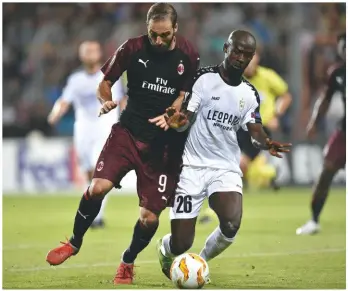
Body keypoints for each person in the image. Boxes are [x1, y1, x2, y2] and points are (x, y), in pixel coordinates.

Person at [45, 2, 200, 285]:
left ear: (175, 29)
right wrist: (105, 101)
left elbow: (186, 95)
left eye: (165, 34)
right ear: (147, 28)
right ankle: (74, 242)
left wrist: (175, 113)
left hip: (163, 147)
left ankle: (127, 260)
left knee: (149, 219)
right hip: (127, 132)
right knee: (96, 186)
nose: (158, 40)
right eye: (154, 33)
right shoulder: (132, 48)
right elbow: (104, 82)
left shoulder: (189, 55)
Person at [154, 30, 291, 279]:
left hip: (225, 167)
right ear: (226, 48)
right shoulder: (203, 79)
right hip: (192, 167)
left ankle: (199, 264)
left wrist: (266, 143)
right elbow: (187, 120)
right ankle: (166, 248)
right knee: (181, 243)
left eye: (247, 54)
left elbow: (255, 130)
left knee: (231, 225)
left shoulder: (249, 94)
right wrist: (178, 122)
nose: (241, 57)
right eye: (236, 50)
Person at [198, 48, 293, 224]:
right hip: (236, 129)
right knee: (238, 169)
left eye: (251, 57)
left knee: (238, 166)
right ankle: (268, 175)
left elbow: (286, 95)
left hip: (259, 130)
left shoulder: (268, 77)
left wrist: (276, 115)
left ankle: (215, 211)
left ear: (257, 58)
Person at [47, 40, 125, 228]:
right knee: (89, 173)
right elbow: (64, 100)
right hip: (83, 130)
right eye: (86, 51)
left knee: (100, 172)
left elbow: (121, 101)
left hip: (105, 128)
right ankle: (93, 212)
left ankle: (96, 217)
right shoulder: (76, 80)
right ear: (81, 55)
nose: (90, 53)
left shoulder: (111, 75)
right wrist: (55, 113)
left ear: (99, 54)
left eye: (93, 50)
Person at [296, 32, 346, 235]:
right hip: (344, 132)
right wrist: (314, 122)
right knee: (326, 173)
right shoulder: (337, 72)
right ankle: (314, 220)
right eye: (343, 47)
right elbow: (325, 99)